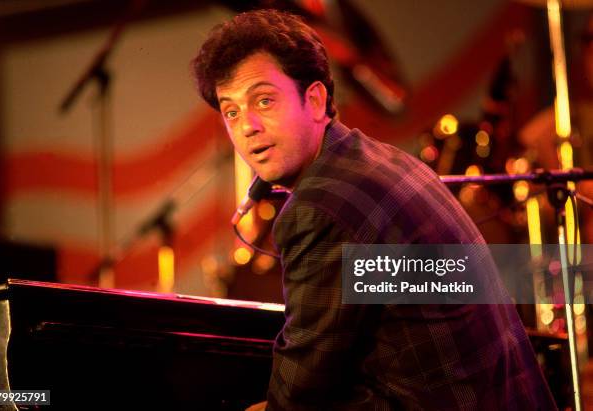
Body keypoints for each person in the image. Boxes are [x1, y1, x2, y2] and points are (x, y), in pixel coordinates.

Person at [192, 9, 557, 411]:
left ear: (314, 100)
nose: (247, 126)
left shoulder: (321, 206)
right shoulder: (382, 160)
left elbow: (299, 392)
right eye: (231, 111)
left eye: (264, 100)